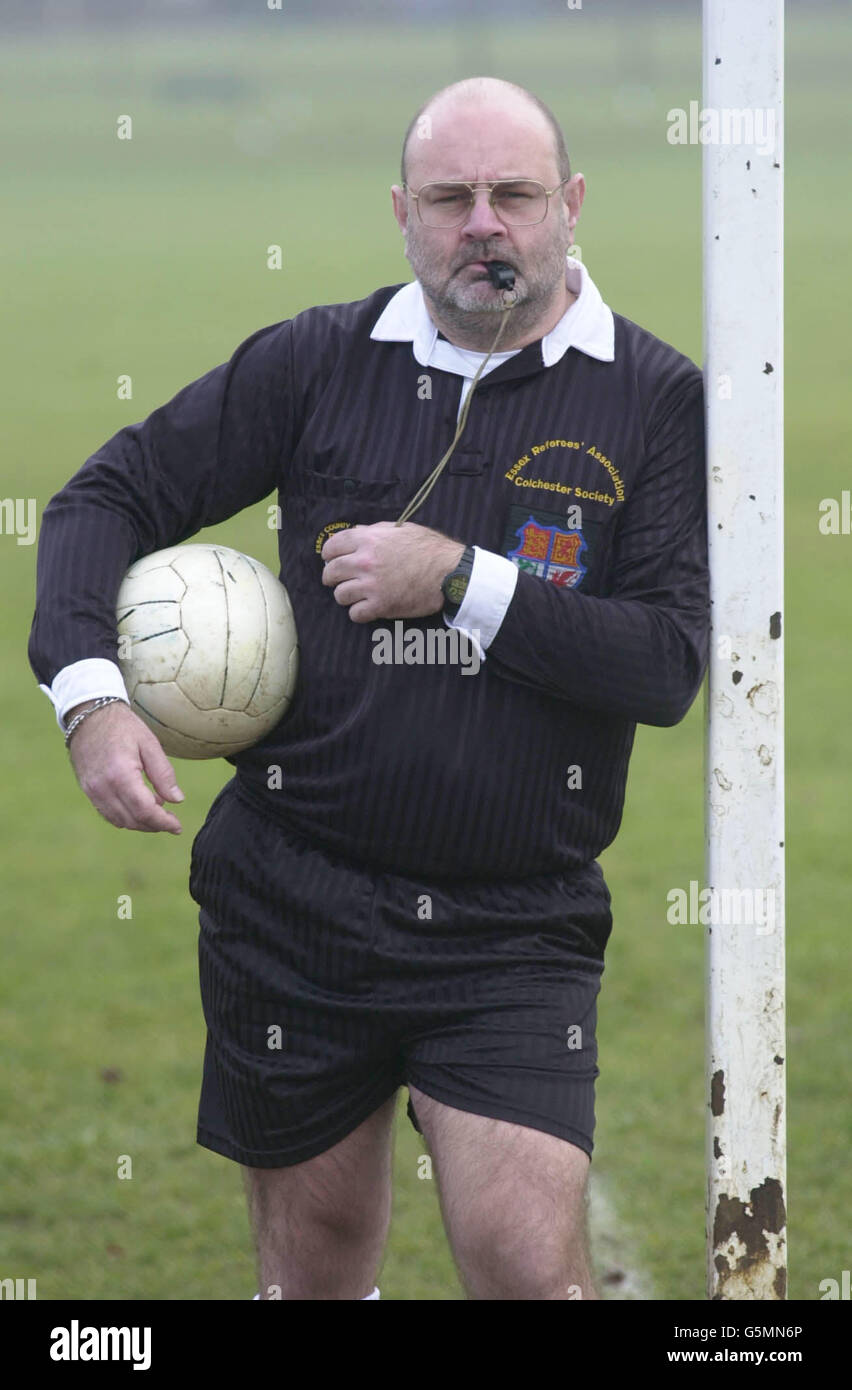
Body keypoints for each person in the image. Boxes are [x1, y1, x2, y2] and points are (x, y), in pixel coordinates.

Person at [28, 76, 709, 1301]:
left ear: (573, 206)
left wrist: (459, 581)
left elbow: (662, 664)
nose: (484, 224)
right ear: (403, 212)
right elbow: (102, 499)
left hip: (516, 920)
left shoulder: (654, 398)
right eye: (452, 198)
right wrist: (92, 696)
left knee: (523, 1268)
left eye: (515, 195)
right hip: (295, 901)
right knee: (317, 1276)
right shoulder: (316, 362)